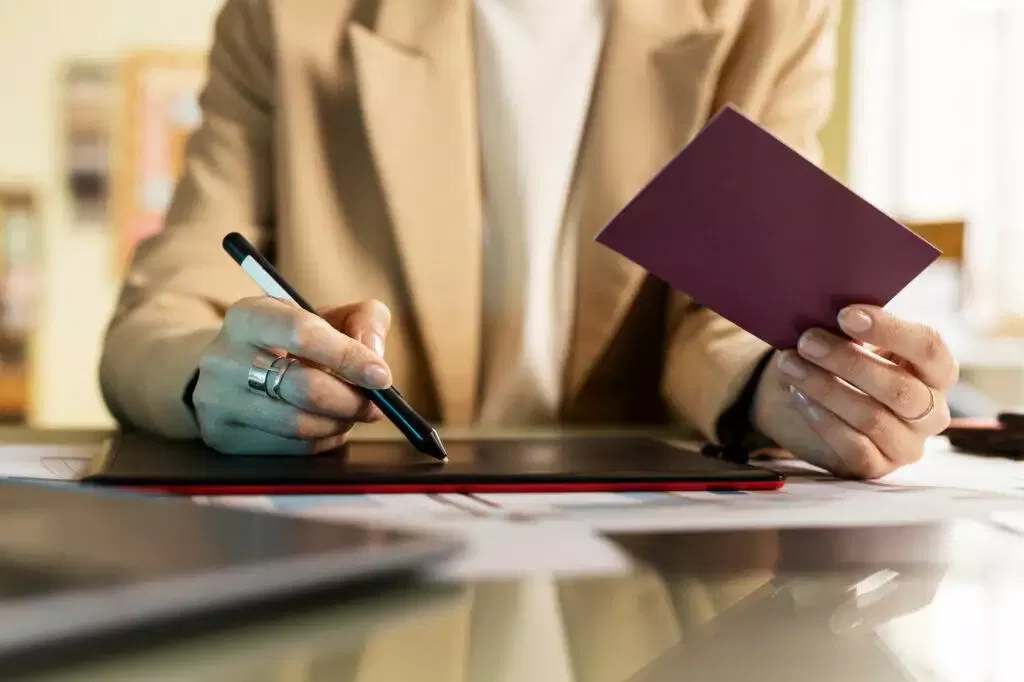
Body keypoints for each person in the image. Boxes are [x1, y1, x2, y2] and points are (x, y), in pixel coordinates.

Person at [99, 0, 958, 479]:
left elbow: (726, 307)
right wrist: (216, 383)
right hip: (368, 537)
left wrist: (788, 384)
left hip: (660, 560)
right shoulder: (288, 16)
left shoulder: (768, 13)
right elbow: (159, 315)